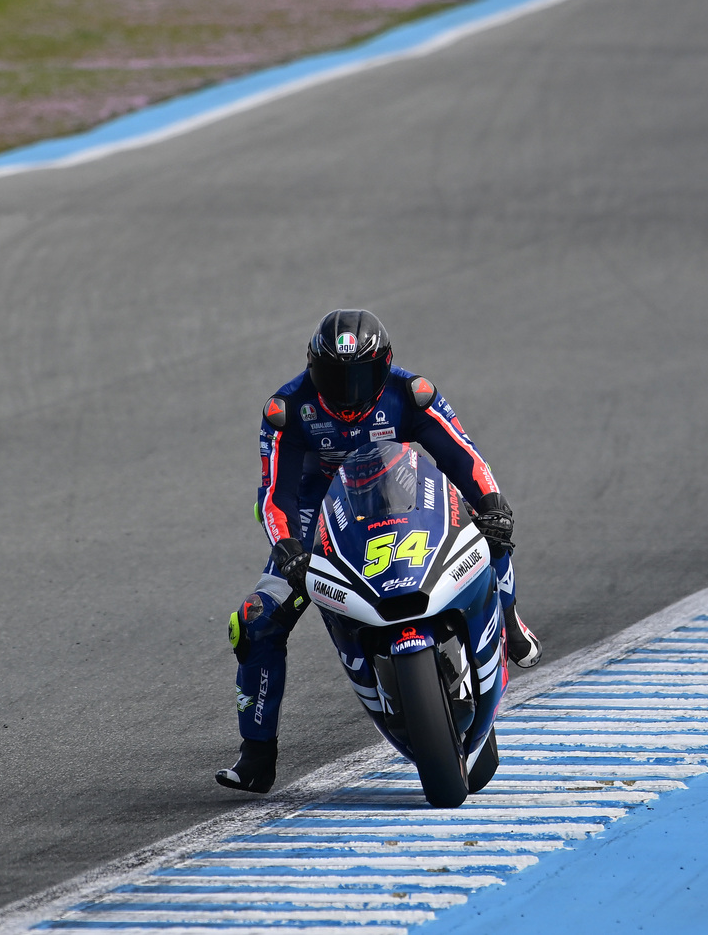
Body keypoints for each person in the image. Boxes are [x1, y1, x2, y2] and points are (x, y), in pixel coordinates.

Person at [215, 308, 541, 795]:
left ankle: (510, 623)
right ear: (313, 369)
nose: (349, 392)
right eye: (335, 378)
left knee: (489, 528)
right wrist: (286, 548)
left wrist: (493, 504)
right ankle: (257, 756)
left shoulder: (413, 393)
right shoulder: (287, 409)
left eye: (361, 377)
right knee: (255, 621)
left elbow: (462, 455)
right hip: (316, 522)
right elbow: (273, 496)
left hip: (404, 499)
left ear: (384, 366)